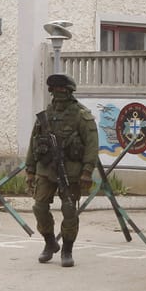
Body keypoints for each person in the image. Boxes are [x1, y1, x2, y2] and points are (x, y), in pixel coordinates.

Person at [24, 73, 98, 267]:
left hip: (71, 171)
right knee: (39, 207)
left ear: (70, 92)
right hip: (46, 169)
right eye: (55, 90)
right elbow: (33, 143)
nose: (59, 94)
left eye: (62, 90)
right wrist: (30, 170)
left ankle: (67, 249)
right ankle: (50, 242)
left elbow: (92, 145)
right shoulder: (45, 116)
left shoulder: (81, 115)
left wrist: (87, 171)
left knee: (69, 210)